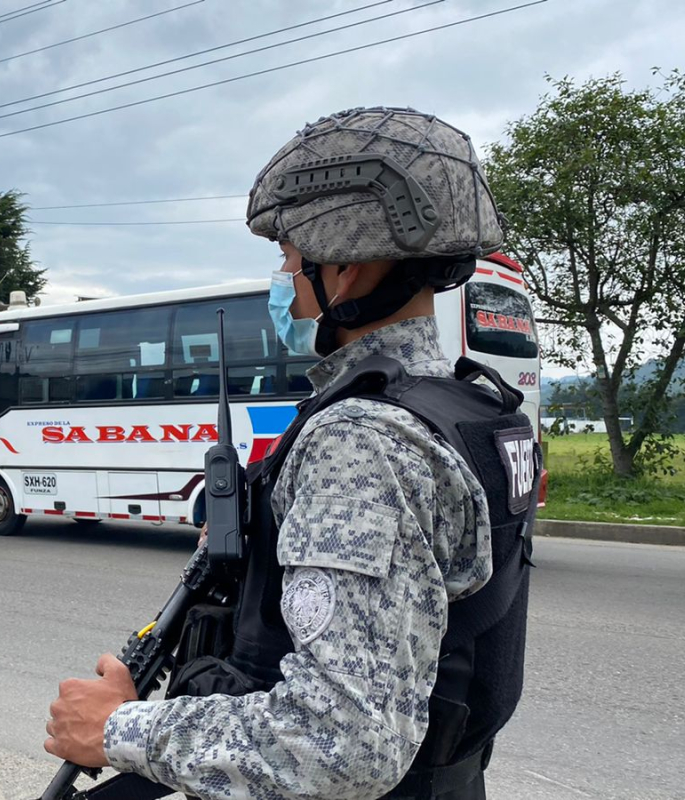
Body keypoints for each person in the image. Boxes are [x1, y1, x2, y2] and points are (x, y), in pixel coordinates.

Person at [44, 107, 536, 799]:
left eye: (288, 256)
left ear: (347, 270)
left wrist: (120, 729)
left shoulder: (363, 438)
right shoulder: (473, 411)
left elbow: (341, 745)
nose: (282, 277)